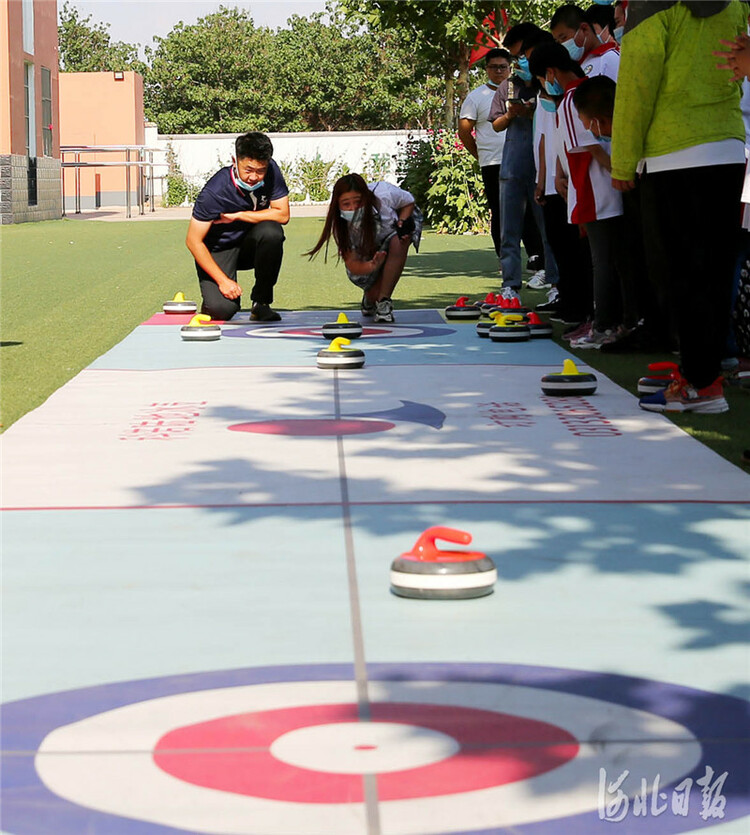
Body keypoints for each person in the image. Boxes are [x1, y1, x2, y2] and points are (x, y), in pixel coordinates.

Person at [612, 0, 746, 413]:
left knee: (678, 276)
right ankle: (699, 373)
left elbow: (637, 84)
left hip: (673, 154)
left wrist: (622, 159)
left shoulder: (652, 5)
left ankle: (701, 383)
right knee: (713, 273)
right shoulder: (736, 3)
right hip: (726, 146)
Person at [489, 23, 560, 304]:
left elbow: (554, 121)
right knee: (509, 230)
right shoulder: (507, 86)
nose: (519, 62)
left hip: (544, 167)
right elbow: (496, 124)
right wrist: (512, 114)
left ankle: (555, 283)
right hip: (512, 165)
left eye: (522, 55)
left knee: (549, 229)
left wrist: (532, 113)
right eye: (515, 57)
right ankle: (510, 286)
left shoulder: (548, 84)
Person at [186, 131, 290, 322]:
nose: (254, 177)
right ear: (235, 161)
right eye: (248, 169)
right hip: (219, 248)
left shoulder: (272, 170)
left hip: (249, 245)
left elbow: (282, 214)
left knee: (272, 232)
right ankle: (213, 300)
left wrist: (239, 216)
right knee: (222, 310)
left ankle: (261, 303)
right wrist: (223, 281)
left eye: (260, 171)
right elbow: (193, 241)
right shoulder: (214, 192)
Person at [305, 174, 422, 324]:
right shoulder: (341, 228)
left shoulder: (385, 193)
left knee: (399, 241)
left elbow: (409, 202)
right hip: (367, 252)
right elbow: (353, 264)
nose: (353, 208)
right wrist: (372, 265)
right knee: (373, 293)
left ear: (367, 198)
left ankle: (384, 302)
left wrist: (403, 222)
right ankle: (370, 298)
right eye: (346, 204)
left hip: (391, 233)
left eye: (358, 202)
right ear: (337, 205)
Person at [458, 48, 511, 265]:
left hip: (523, 160)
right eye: (493, 67)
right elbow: (464, 131)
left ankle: (536, 260)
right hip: (493, 163)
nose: (498, 71)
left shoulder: (521, 91)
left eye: (503, 66)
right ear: (486, 68)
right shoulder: (476, 97)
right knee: (499, 212)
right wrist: (479, 155)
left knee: (529, 213)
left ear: (510, 68)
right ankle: (504, 259)